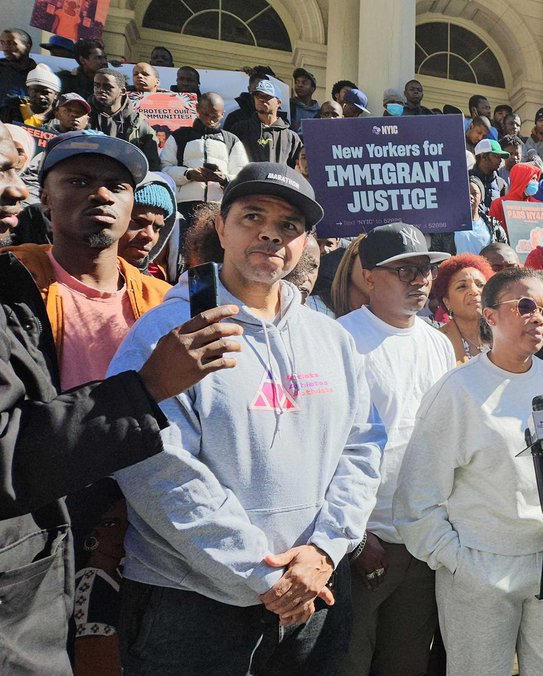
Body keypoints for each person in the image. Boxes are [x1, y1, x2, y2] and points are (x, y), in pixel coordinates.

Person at [108, 163, 385, 675]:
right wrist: (265, 575)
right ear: (220, 226)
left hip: (315, 594)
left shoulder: (333, 340)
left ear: (305, 243)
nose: (270, 234)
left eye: (289, 226)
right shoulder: (168, 332)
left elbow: (363, 448)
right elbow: (155, 469)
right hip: (192, 608)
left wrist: (324, 551)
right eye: (252, 216)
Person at [0, 121, 244, 676]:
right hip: (48, 516)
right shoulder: (16, 285)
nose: (100, 195)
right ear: (44, 195)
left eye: (117, 185)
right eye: (79, 181)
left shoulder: (164, 300)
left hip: (149, 518)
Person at [397, 267, 543, 675]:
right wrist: (461, 563)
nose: (540, 318)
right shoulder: (457, 390)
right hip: (482, 567)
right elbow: (416, 499)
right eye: (526, 306)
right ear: (490, 315)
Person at [337, 222, 454, 676]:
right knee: (349, 663)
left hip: (421, 541)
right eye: (403, 270)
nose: (419, 279)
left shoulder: (437, 342)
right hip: (365, 542)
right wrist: (357, 536)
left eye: (424, 269)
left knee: (405, 664)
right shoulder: (340, 339)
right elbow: (328, 449)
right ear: (368, 277)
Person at [161, 92, 250, 228]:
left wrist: (224, 179)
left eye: (215, 116)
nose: (210, 120)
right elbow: (164, 170)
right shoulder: (180, 136)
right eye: (205, 114)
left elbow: (243, 175)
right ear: (197, 109)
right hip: (184, 206)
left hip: (219, 206)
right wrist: (188, 174)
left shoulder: (231, 140)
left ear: (222, 114)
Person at [89, 68, 162, 170]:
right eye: (97, 85)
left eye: (107, 87)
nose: (100, 90)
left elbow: (152, 165)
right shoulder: (84, 117)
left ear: (122, 91)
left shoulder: (139, 124)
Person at [432, 253, 494, 363]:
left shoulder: (503, 335)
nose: (474, 291)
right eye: (462, 286)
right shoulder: (436, 343)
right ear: (447, 302)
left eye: (480, 285)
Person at [231, 80, 303, 167]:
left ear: (279, 102)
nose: (261, 99)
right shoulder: (240, 129)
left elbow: (300, 169)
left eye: (267, 96)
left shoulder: (291, 138)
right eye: (258, 96)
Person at [118, 172, 177, 278]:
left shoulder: (159, 292)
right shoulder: (78, 286)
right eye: (137, 222)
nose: (150, 236)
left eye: (157, 228)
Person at [489, 162, 543, 234]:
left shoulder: (539, 206)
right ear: (521, 179)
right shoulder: (498, 204)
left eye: (536, 179)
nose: (536, 182)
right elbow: (493, 231)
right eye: (533, 178)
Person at [222, 66, 278, 130]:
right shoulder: (235, 117)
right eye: (257, 91)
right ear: (249, 89)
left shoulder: (280, 120)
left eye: (267, 89)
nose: (261, 96)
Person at [329, 234, 369, 317]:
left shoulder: (395, 319)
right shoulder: (313, 307)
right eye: (370, 257)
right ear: (351, 262)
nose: (377, 269)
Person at [470, 138, 509, 211]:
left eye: (501, 157)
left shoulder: (501, 184)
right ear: (483, 156)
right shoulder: (466, 180)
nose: (500, 160)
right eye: (496, 156)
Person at [0, 28, 35, 104]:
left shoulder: (39, 73)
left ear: (27, 46)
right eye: (2, 43)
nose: (5, 48)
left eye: (11, 43)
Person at [289, 68, 320, 133]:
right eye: (297, 82)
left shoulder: (319, 112)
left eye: (304, 83)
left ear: (312, 89)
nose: (299, 85)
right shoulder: (289, 106)